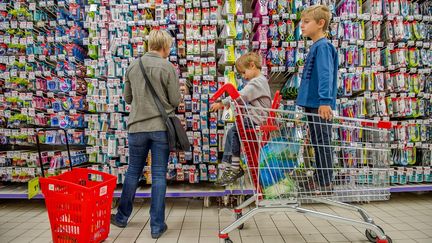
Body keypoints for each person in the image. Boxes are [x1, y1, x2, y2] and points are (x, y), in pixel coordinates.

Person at [111, 30, 181, 239]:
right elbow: (175, 101)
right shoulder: (167, 67)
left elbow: (128, 98)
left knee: (133, 172)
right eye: (169, 46)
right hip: (160, 127)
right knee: (159, 174)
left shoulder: (133, 66)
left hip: (136, 129)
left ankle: (122, 217)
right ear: (164, 46)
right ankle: (157, 226)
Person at [210, 52, 272, 186]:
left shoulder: (257, 82)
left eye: (244, 73)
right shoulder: (258, 81)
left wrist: (222, 103)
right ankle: (232, 166)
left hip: (256, 119)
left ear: (252, 65)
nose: (244, 76)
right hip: (256, 118)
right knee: (235, 131)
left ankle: (233, 167)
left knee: (234, 131)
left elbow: (240, 96)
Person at [296, 5, 338, 192]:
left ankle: (325, 181)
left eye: (306, 22)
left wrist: (325, 101)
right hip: (313, 103)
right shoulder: (316, 46)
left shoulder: (323, 47)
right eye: (301, 22)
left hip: (319, 105)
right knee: (318, 142)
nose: (302, 26)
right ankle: (320, 178)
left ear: (321, 23)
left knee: (322, 142)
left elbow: (325, 75)